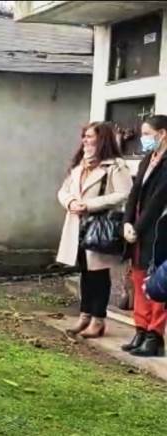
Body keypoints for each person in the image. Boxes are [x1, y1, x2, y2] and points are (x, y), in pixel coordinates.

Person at [56, 122, 132, 338]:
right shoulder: (79, 164)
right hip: (76, 225)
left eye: (90, 137)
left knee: (98, 275)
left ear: (102, 140)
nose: (85, 141)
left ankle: (98, 319)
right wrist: (71, 202)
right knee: (84, 273)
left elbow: (124, 193)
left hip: (98, 226)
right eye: (84, 136)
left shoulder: (115, 166)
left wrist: (90, 204)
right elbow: (63, 190)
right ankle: (84, 316)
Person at [122, 114, 167, 357]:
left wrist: (137, 227)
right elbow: (134, 193)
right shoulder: (148, 159)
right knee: (138, 278)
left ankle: (155, 335)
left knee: (156, 282)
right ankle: (140, 327)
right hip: (138, 229)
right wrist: (127, 222)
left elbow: (158, 201)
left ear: (162, 134)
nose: (143, 139)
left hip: (158, 230)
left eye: (148, 134)